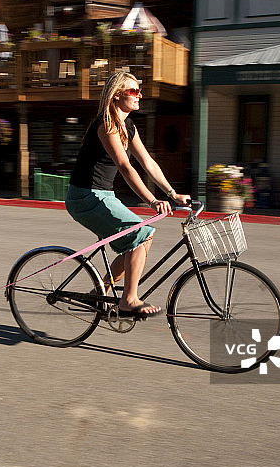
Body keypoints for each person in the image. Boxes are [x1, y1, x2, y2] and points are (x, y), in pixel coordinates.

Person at [65, 71, 191, 318]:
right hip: (85, 197)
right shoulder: (107, 124)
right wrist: (153, 201)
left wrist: (172, 193)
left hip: (104, 195)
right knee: (141, 233)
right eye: (134, 91)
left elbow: (147, 162)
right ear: (116, 95)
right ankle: (129, 300)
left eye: (139, 90)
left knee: (143, 238)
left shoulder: (128, 126)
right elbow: (126, 167)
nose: (139, 95)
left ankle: (99, 291)